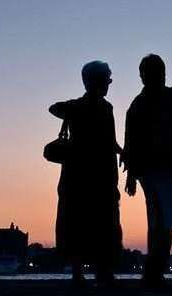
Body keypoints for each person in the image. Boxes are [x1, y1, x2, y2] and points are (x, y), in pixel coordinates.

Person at [122, 54, 172, 289]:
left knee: (163, 222)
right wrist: (131, 177)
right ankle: (154, 271)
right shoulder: (138, 105)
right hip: (154, 170)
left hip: (170, 168)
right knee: (160, 221)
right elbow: (131, 144)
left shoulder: (171, 97)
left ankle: (155, 270)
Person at [49, 61, 123, 288]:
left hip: (82, 176)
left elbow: (111, 141)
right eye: (107, 80)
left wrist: (121, 151)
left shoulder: (86, 107)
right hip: (93, 176)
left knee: (79, 223)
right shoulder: (91, 107)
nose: (108, 84)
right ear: (96, 81)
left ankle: (82, 273)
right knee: (99, 223)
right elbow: (55, 108)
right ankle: (97, 273)